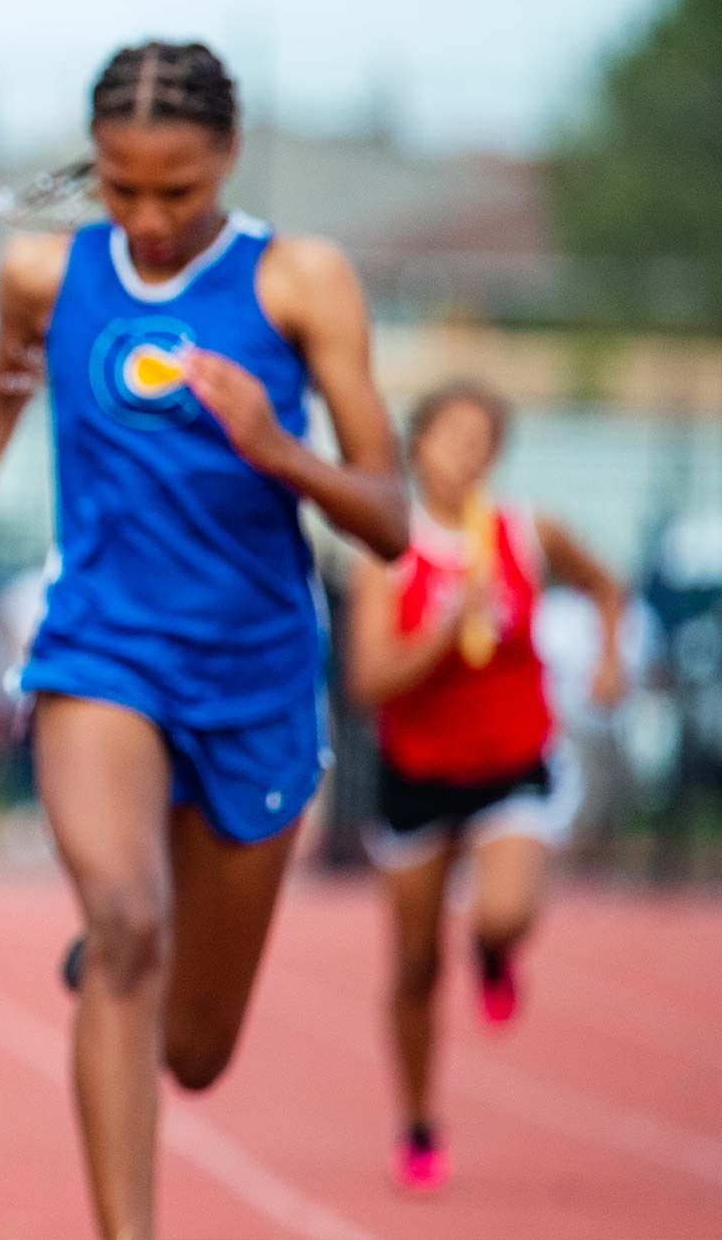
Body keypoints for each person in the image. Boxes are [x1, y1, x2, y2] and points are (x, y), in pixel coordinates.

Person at [0, 41, 408, 1240]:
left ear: (227, 157)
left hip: (260, 679)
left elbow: (388, 519)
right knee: (125, 925)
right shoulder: (42, 277)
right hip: (103, 653)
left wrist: (279, 448)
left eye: (176, 190)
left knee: (198, 1049)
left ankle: (126, 964)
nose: (149, 218)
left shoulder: (302, 284)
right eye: (121, 189)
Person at [346, 380, 627, 1194]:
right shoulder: (390, 549)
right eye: (450, 436)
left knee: (503, 908)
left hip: (513, 758)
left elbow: (606, 586)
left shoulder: (527, 532)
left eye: (482, 440)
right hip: (419, 772)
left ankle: (496, 948)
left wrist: (609, 659)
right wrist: (441, 626)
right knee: (413, 964)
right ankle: (419, 1122)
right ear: (418, 443)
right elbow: (368, 679)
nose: (466, 453)